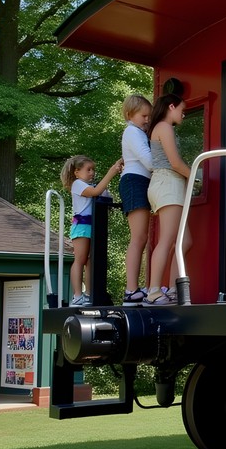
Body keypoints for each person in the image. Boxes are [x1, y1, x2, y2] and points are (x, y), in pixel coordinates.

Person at [145, 93, 192, 306]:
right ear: (171, 106)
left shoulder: (162, 128)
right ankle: (154, 291)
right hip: (167, 182)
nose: (184, 113)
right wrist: (195, 175)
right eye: (182, 108)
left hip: (169, 184)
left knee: (185, 241)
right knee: (167, 240)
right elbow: (174, 162)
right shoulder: (164, 127)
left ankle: (173, 290)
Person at [61, 154, 122, 306]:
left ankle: (89, 293)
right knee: (80, 259)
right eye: (88, 169)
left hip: (92, 226)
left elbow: (102, 194)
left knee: (90, 261)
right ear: (76, 172)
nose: (92, 173)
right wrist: (112, 172)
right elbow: (95, 193)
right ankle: (77, 295)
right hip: (82, 226)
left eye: (93, 170)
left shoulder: (91, 186)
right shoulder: (78, 184)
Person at [119, 94, 153, 305]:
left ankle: (133, 288)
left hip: (138, 181)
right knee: (138, 238)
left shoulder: (136, 131)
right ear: (130, 114)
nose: (147, 120)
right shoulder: (133, 132)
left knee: (141, 238)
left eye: (149, 116)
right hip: (135, 181)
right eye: (144, 116)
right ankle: (131, 289)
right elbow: (149, 161)